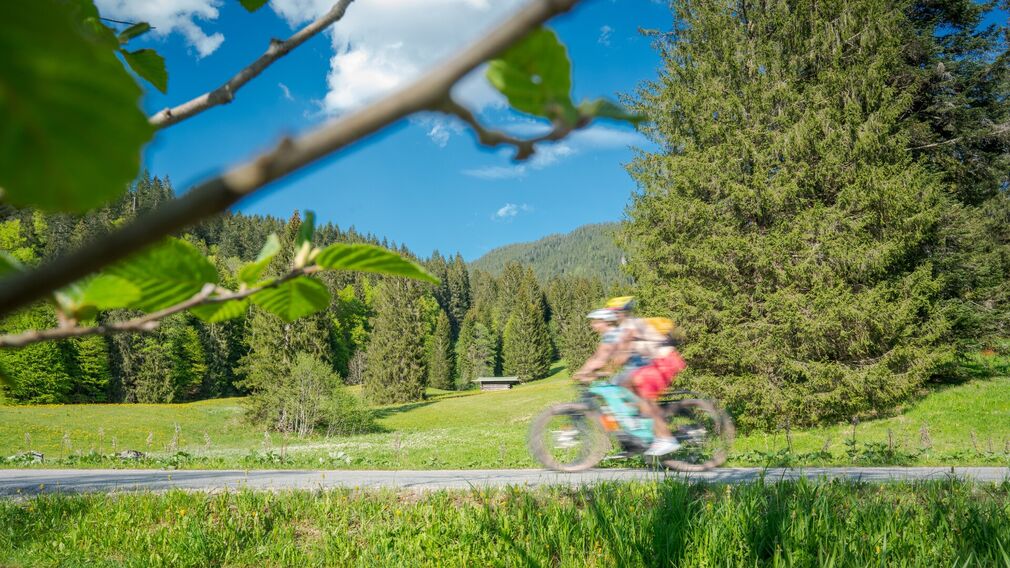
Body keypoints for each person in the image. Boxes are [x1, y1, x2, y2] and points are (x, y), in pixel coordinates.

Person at [574, 299, 686, 456]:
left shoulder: (630, 326)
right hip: (658, 363)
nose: (611, 315)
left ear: (619, 312)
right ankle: (637, 435)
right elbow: (610, 355)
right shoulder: (626, 327)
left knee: (640, 395)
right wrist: (600, 369)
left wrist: (600, 371)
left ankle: (665, 439)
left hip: (663, 362)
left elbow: (619, 356)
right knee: (627, 388)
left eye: (613, 312)